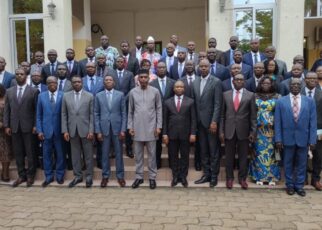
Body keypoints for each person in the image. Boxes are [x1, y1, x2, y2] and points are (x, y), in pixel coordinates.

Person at [275, 78, 317, 197]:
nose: (295, 86)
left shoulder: (309, 101)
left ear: (301, 86)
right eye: (293, 84)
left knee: (302, 164)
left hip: (303, 138)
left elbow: (312, 122)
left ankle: (299, 186)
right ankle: (289, 185)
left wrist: (312, 140)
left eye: (298, 84)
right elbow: (277, 122)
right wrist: (278, 139)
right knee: (287, 163)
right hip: (287, 138)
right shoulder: (281, 101)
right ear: (289, 86)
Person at [4, 68, 39, 187]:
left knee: (30, 152)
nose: (19, 76)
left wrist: (35, 125)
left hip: (29, 127)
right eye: (17, 74)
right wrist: (7, 125)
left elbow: (36, 111)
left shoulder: (33, 91)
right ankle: (21, 175)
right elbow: (7, 110)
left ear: (26, 76)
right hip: (14, 127)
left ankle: (30, 175)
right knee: (18, 152)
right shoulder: (9, 91)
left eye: (22, 74)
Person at [220, 74, 256, 190]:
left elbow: (253, 117)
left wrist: (253, 132)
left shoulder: (250, 95)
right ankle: (229, 178)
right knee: (229, 157)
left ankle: (242, 179)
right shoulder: (225, 95)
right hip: (229, 130)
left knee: (243, 157)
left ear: (244, 82)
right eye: (236, 80)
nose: (239, 81)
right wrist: (221, 131)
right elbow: (221, 116)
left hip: (244, 131)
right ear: (233, 81)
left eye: (241, 79)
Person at [128, 69, 162, 189]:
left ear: (148, 78)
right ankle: (139, 177)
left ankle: (152, 177)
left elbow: (159, 109)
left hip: (151, 128)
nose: (143, 79)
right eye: (141, 77)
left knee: (152, 155)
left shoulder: (155, 91)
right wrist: (130, 126)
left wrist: (159, 126)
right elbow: (130, 111)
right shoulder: (132, 92)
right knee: (138, 155)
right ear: (138, 79)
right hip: (137, 128)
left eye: (145, 77)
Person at [193, 59, 222, 187]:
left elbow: (217, 104)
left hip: (211, 123)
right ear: (199, 68)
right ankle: (206, 174)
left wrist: (214, 121)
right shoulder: (195, 81)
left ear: (210, 67)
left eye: (206, 66)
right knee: (203, 150)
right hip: (199, 123)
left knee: (213, 151)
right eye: (201, 66)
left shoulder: (216, 82)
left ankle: (214, 176)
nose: (203, 68)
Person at [61, 76, 94, 188]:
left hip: (86, 130)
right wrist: (65, 130)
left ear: (82, 83)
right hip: (72, 130)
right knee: (75, 155)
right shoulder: (66, 96)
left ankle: (89, 176)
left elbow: (91, 115)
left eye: (79, 82)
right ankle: (78, 176)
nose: (76, 84)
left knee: (88, 154)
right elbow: (64, 114)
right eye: (74, 82)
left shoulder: (89, 96)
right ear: (71, 84)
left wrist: (91, 130)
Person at [163, 80, 196, 187]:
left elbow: (193, 119)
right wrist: (165, 134)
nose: (179, 89)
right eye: (177, 87)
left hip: (185, 134)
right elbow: (165, 120)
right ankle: (175, 176)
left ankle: (183, 177)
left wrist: (193, 133)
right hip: (171, 135)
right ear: (173, 89)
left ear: (184, 89)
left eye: (181, 87)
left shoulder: (190, 101)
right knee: (173, 156)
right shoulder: (167, 102)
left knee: (185, 156)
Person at [248, 76, 281, 185]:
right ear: (260, 84)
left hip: (272, 131)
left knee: (272, 155)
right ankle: (259, 177)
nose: (266, 85)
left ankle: (272, 178)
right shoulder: (255, 96)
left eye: (268, 83)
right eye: (263, 83)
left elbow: (279, 115)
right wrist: (252, 131)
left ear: (272, 84)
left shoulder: (277, 97)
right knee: (259, 154)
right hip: (259, 131)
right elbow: (251, 114)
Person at [95, 76, 126, 188]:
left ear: (114, 82)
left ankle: (120, 176)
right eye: (106, 80)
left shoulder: (120, 94)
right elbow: (96, 114)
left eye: (110, 80)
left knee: (118, 154)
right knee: (104, 154)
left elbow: (123, 113)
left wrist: (123, 129)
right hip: (104, 129)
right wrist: (98, 131)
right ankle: (105, 176)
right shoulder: (98, 96)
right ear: (104, 83)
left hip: (117, 129)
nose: (108, 81)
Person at [36, 76, 65, 187]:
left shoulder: (63, 95)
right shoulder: (41, 96)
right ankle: (48, 177)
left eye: (54, 82)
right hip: (46, 131)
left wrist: (65, 130)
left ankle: (60, 176)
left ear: (57, 83)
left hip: (59, 131)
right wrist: (39, 130)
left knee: (60, 154)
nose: (52, 84)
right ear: (46, 84)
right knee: (46, 155)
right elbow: (38, 115)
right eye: (50, 82)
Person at [107, 56, 135, 158]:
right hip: (113, 104)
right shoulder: (111, 73)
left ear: (125, 63)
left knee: (127, 127)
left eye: (121, 61)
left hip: (126, 103)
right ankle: (113, 149)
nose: (119, 63)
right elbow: (108, 88)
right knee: (114, 126)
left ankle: (129, 148)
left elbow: (132, 89)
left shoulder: (130, 74)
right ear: (115, 63)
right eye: (118, 61)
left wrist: (123, 98)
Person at [150, 61, 175, 169]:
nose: (161, 69)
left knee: (171, 144)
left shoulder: (173, 82)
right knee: (157, 143)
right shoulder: (152, 84)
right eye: (159, 68)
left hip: (170, 117)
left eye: (163, 67)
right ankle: (157, 164)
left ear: (166, 69)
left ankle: (172, 163)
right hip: (156, 118)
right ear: (156, 69)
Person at [300, 72, 322, 190]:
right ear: (305, 80)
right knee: (301, 154)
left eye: (315, 78)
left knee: (318, 156)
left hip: (318, 130)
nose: (312, 80)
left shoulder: (320, 94)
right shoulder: (299, 92)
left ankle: (315, 179)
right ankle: (303, 178)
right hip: (301, 129)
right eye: (309, 78)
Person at [0, 84, 13, 182]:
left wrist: (5, 124)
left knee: (6, 152)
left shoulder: (7, 98)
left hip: (5, 131)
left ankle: (5, 173)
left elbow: (11, 112)